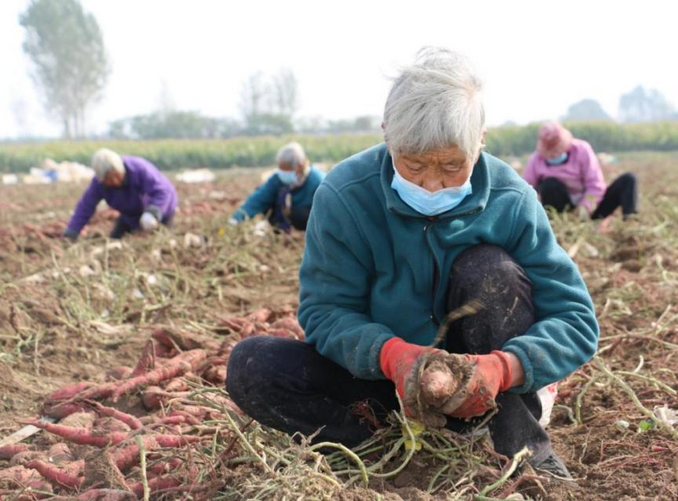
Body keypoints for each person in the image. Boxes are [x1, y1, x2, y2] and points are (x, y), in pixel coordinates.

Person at [226, 48, 599, 478]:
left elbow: (576, 320)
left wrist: (502, 368)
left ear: (480, 140)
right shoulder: (345, 196)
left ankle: (522, 452)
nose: (432, 182)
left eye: (452, 166)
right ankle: (383, 453)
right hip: (385, 383)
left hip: (485, 390)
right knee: (253, 365)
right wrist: (392, 356)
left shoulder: (511, 200)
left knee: (488, 269)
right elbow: (325, 310)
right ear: (387, 136)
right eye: (414, 164)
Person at [522, 122, 637, 227]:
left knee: (628, 180)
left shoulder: (581, 150)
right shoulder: (536, 160)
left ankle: (631, 224)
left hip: (589, 208)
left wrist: (585, 206)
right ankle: (560, 226)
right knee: (550, 185)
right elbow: (526, 190)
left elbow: (595, 185)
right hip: (561, 211)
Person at [63, 149, 178, 240]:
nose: (114, 181)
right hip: (130, 215)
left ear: (121, 169)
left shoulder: (139, 169)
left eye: (116, 176)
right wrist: (72, 230)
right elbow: (86, 206)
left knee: (161, 242)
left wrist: (153, 212)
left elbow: (162, 191)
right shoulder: (99, 184)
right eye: (108, 179)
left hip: (161, 210)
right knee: (114, 242)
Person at [228, 142, 325, 232]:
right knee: (266, 202)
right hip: (287, 215)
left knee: (300, 215)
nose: (282, 173)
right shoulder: (278, 179)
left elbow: (327, 211)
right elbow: (259, 198)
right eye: (280, 169)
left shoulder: (318, 181)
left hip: (310, 221)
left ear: (299, 166)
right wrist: (237, 218)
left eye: (286, 170)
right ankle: (279, 229)